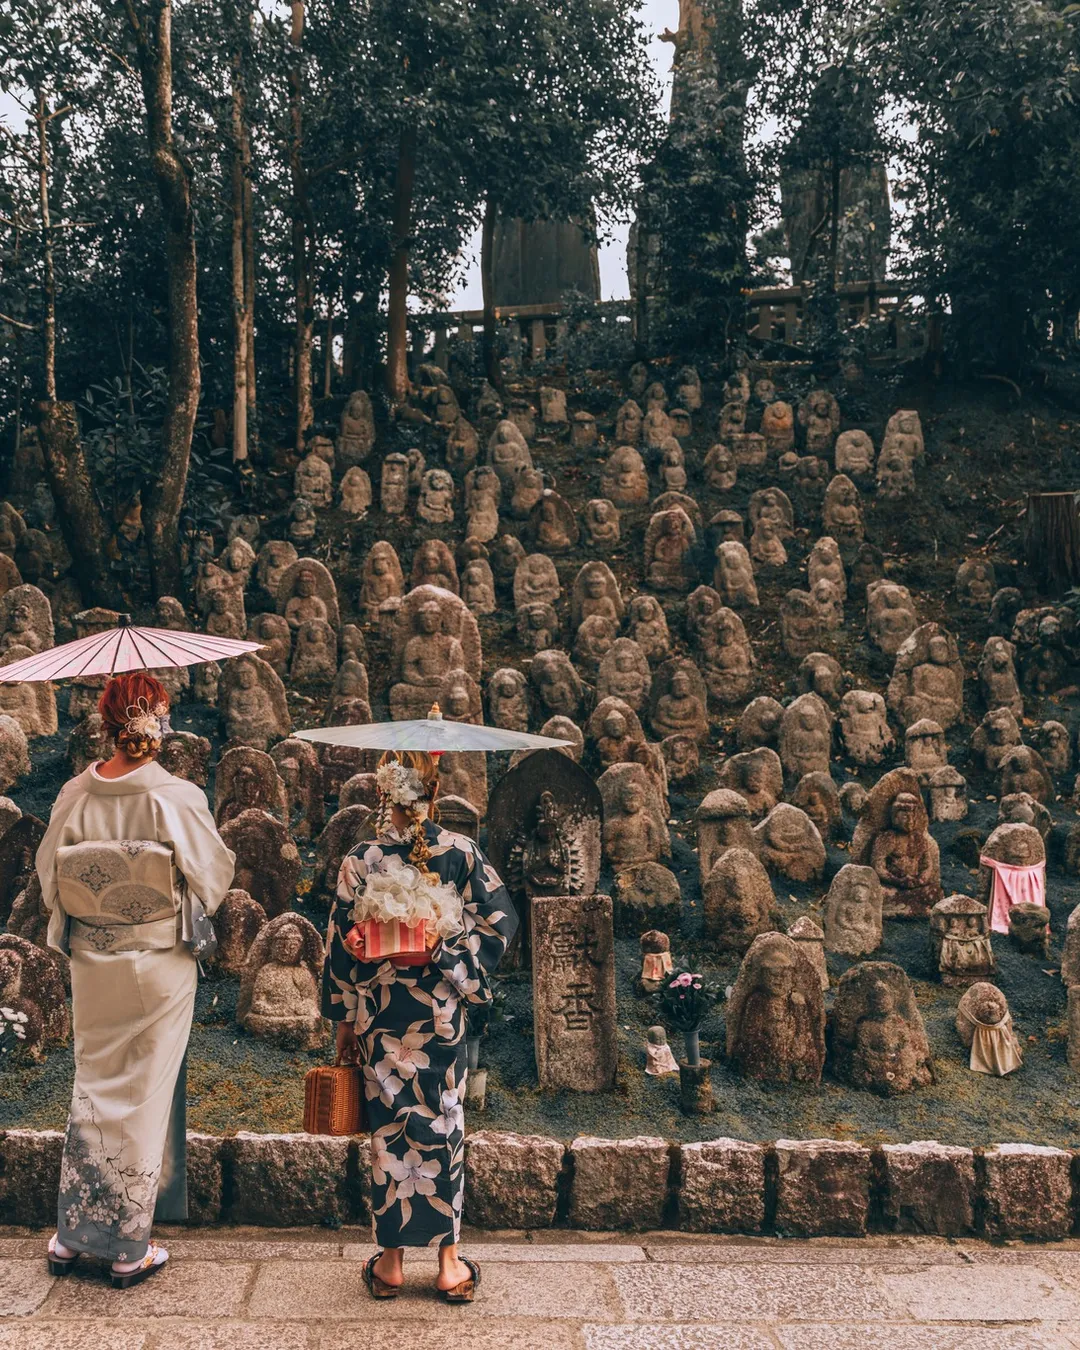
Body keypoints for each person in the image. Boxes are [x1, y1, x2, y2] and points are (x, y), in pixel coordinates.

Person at [35, 672, 235, 1289]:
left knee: (93, 1084)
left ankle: (72, 1235)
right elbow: (213, 876)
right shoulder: (174, 796)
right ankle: (127, 1246)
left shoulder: (75, 793)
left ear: (108, 723)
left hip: (93, 961)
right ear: (159, 722)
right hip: (157, 961)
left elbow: (50, 878)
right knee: (142, 1095)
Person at [323, 750, 516, 1303]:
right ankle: (450, 1266)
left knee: (390, 1129)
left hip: (381, 1015)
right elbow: (502, 921)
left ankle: (389, 1264)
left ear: (386, 794)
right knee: (443, 1122)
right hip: (438, 1016)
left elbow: (341, 946)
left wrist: (343, 1014)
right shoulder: (461, 853)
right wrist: (445, 951)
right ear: (433, 794)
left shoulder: (361, 859)